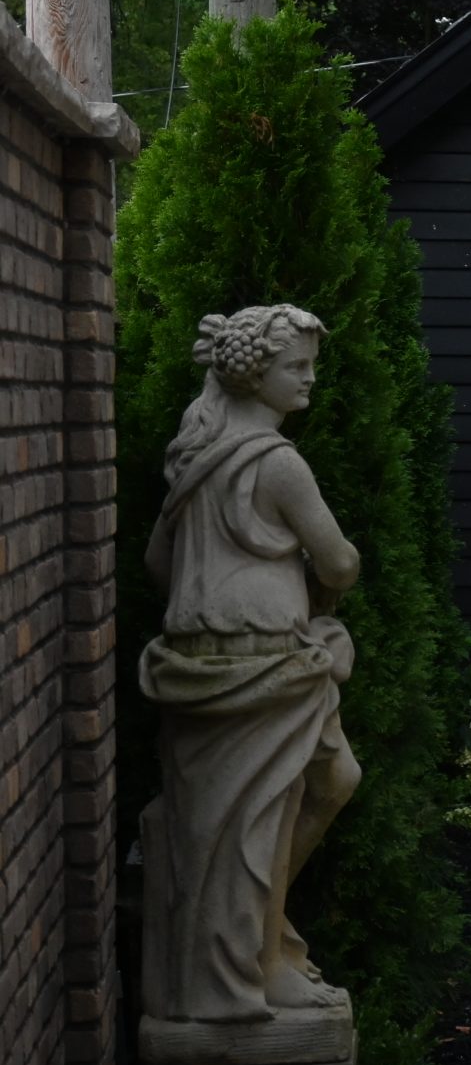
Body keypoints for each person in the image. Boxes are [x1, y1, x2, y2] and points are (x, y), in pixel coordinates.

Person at [140, 304, 361, 1024]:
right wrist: (307, 581)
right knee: (258, 820)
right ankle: (252, 965)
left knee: (321, 785)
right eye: (296, 368)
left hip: (234, 662)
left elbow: (156, 563)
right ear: (254, 374)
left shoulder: (198, 454)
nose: (310, 380)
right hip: (261, 669)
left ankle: (256, 942)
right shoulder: (276, 463)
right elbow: (339, 560)